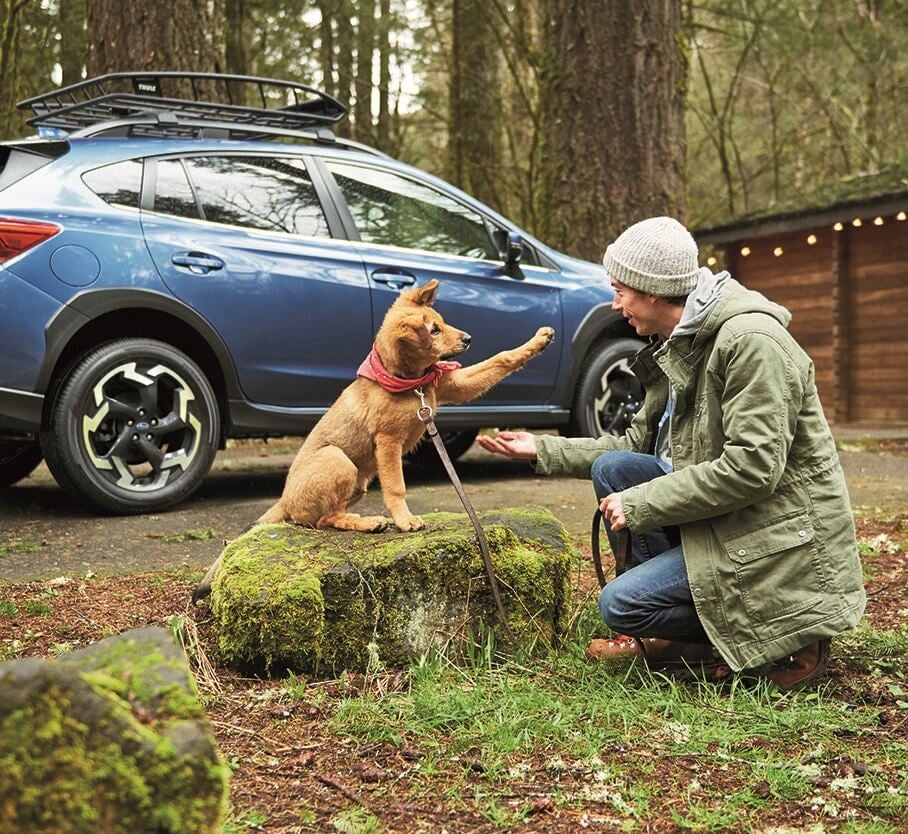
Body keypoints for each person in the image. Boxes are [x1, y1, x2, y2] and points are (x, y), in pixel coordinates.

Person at [478, 216, 866, 690]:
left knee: (621, 605)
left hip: (775, 535)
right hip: (723, 520)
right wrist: (540, 448)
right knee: (616, 468)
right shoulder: (679, 344)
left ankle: (793, 631)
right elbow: (629, 447)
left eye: (621, 290)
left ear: (655, 291)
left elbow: (752, 470)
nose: (614, 303)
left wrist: (641, 504)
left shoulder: (751, 343)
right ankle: (689, 641)